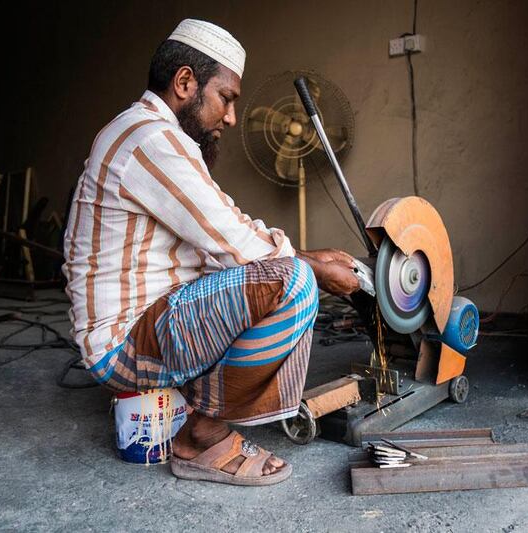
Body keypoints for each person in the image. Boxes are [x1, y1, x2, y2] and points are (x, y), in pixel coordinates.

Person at [62, 18, 360, 486]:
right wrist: (315, 267)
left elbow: (223, 234)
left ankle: (196, 405)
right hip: (122, 345)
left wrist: (306, 253)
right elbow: (233, 240)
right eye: (227, 98)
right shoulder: (149, 139)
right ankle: (202, 435)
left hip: (149, 325)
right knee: (293, 282)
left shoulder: (148, 134)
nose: (231, 117)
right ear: (185, 82)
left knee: (279, 269)